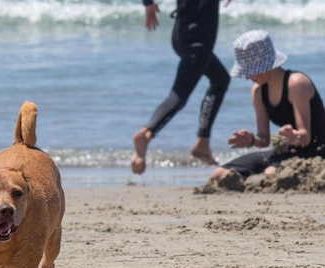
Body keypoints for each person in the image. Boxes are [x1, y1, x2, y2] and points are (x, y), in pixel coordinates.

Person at [131, 0, 231, 174]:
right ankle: (146, 134)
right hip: (198, 39)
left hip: (182, 34)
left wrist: (148, 4)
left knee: (220, 79)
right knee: (178, 96)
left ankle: (203, 143)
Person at [210, 30, 325, 180]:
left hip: (315, 152)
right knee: (219, 175)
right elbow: (264, 140)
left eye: (251, 71)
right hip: (284, 152)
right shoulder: (258, 92)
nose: (247, 77)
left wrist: (293, 136)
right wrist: (252, 140)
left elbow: (305, 138)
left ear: (265, 65)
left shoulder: (296, 83)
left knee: (269, 174)